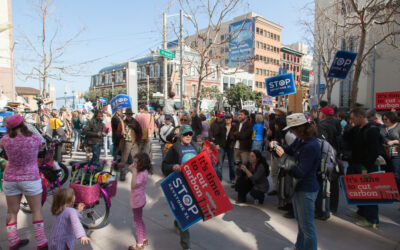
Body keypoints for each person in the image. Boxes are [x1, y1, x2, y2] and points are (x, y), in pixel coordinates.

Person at [271, 113, 320, 250]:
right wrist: (277, 146)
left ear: (301, 128)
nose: (291, 132)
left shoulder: (311, 145)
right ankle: (299, 247)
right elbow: (289, 150)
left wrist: (283, 156)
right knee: (301, 223)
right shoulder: (301, 140)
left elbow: (299, 171)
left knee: (307, 226)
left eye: (293, 129)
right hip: (299, 188)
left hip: (306, 188)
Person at [0, 114, 48, 249]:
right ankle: (41, 242)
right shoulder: (34, 138)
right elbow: (40, 148)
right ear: (23, 123)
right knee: (36, 210)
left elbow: (3, 150)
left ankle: (13, 241)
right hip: (30, 178)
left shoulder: (5, 140)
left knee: (11, 212)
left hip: (10, 178)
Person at [162, 125, 201, 250]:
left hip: (194, 185)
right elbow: (164, 166)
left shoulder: (196, 147)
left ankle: (177, 221)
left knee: (184, 213)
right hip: (180, 186)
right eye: (185, 134)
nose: (188, 136)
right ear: (180, 136)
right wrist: (173, 167)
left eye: (190, 134)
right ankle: (186, 245)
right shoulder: (175, 148)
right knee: (186, 215)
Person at [344, 108, 383, 228]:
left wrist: (365, 167)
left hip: (365, 166)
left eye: (353, 118)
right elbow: (346, 139)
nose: (352, 120)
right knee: (358, 191)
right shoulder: (356, 129)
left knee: (369, 192)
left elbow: (373, 151)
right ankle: (361, 212)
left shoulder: (372, 130)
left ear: (360, 116)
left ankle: (372, 219)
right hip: (354, 163)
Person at [128, 152, 152, 250]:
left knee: (137, 222)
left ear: (142, 164)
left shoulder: (140, 174)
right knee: (140, 220)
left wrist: (133, 172)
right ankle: (144, 238)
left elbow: (133, 185)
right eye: (133, 161)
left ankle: (140, 244)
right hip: (140, 199)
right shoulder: (143, 170)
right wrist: (133, 167)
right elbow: (130, 167)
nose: (133, 164)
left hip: (137, 201)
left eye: (136, 162)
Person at [117, 108, 142, 181]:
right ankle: (122, 174)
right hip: (126, 142)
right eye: (128, 114)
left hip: (134, 142)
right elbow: (118, 133)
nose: (129, 115)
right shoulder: (122, 123)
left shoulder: (135, 122)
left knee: (137, 159)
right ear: (125, 115)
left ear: (132, 114)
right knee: (124, 159)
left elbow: (139, 132)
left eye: (130, 114)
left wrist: (137, 140)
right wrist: (121, 133)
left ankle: (137, 174)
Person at [381, 111, 400, 189]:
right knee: (385, 172)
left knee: (396, 172)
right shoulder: (382, 127)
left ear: (391, 118)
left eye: (386, 119)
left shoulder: (398, 126)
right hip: (384, 152)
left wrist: (395, 141)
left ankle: (397, 191)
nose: (385, 121)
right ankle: (389, 191)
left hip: (396, 150)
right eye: (383, 119)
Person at [209, 112, 226, 180]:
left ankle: (219, 178)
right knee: (214, 163)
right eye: (220, 117)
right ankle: (214, 178)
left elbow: (224, 136)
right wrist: (212, 141)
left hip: (222, 145)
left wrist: (220, 144)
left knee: (220, 164)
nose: (221, 118)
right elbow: (210, 134)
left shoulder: (225, 123)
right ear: (217, 117)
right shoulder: (213, 124)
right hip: (214, 145)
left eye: (222, 117)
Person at [223, 113, 236, 184]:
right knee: (220, 163)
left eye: (229, 118)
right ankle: (219, 178)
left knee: (231, 163)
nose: (228, 120)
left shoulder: (234, 127)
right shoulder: (222, 126)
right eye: (226, 118)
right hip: (223, 146)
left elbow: (236, 136)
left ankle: (232, 178)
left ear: (231, 119)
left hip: (230, 146)